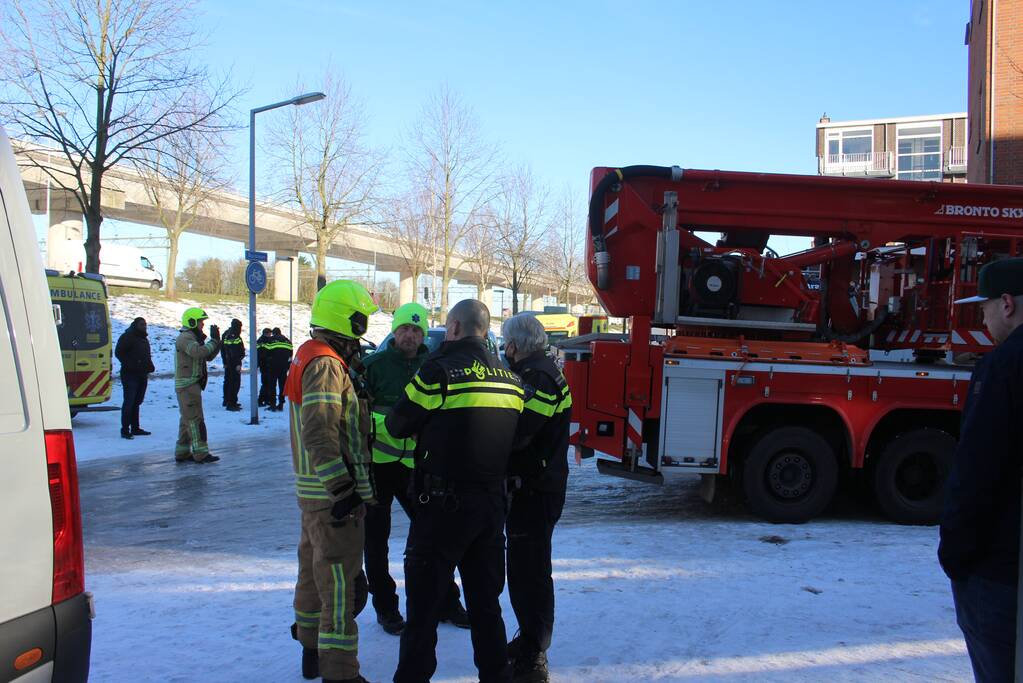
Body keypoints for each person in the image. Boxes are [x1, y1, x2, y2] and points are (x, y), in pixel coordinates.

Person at [388, 299, 524, 683]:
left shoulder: (438, 372)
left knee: (424, 611)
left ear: (454, 329)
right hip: (491, 508)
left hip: (441, 509)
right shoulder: (511, 381)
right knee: (486, 607)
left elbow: (398, 424)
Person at [285, 280, 379, 683]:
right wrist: (344, 491)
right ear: (348, 318)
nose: (363, 329)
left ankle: (311, 648)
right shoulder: (325, 364)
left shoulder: (308, 355)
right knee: (340, 583)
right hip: (331, 496)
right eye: (361, 320)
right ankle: (340, 672)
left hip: (313, 492)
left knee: (311, 570)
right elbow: (321, 433)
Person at [939, 256, 1023, 682]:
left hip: (999, 575)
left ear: (1006, 304)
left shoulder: (1003, 367)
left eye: (985, 306)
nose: (983, 316)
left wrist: (955, 555)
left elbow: (976, 472)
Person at [362, 303, 468, 636]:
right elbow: (359, 416)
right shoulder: (373, 366)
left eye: (417, 330)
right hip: (378, 467)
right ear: (394, 331)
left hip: (417, 469)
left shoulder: (432, 366)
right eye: (405, 329)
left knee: (435, 536)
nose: (410, 335)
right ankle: (386, 608)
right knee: (375, 543)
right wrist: (395, 425)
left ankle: (446, 602)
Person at [501, 314, 573, 683]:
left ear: (514, 345)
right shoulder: (540, 370)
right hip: (538, 485)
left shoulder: (538, 377)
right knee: (528, 568)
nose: (503, 350)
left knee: (529, 573)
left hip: (535, 489)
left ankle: (533, 653)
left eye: (504, 343)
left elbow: (522, 431)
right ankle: (531, 640)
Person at [174, 307, 222, 464]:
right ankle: (201, 453)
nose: (202, 324)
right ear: (192, 321)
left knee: (186, 419)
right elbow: (197, 352)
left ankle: (181, 452)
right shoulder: (185, 338)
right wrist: (213, 342)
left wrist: (217, 343)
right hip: (187, 385)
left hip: (191, 384)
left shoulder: (193, 338)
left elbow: (206, 356)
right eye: (201, 321)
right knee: (195, 420)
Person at [114, 317, 155, 440]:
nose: (144, 326)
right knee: (129, 402)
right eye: (142, 324)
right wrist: (131, 364)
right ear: (135, 325)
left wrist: (149, 366)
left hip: (142, 374)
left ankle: (135, 428)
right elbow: (119, 352)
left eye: (145, 325)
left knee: (137, 402)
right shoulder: (127, 337)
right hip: (130, 374)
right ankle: (125, 429)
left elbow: (145, 355)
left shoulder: (143, 339)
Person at [221, 318, 245, 411]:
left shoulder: (225, 334)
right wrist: (238, 363)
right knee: (234, 383)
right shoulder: (234, 336)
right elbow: (236, 352)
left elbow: (223, 350)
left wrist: (224, 362)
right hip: (234, 363)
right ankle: (231, 403)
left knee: (227, 381)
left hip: (228, 362)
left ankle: (227, 400)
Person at [270, 327, 294, 411]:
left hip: (273, 366)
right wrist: (287, 366)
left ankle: (272, 404)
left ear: (274, 333)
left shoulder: (271, 340)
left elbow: (267, 353)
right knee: (282, 386)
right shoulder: (288, 342)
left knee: (272, 385)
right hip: (283, 367)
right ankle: (281, 403)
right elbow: (290, 356)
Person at [257, 327, 274, 407]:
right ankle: (261, 400)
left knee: (267, 383)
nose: (270, 335)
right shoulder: (262, 341)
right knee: (266, 383)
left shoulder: (262, 340)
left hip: (265, 364)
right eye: (269, 333)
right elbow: (262, 354)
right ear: (266, 333)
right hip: (265, 365)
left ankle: (266, 399)